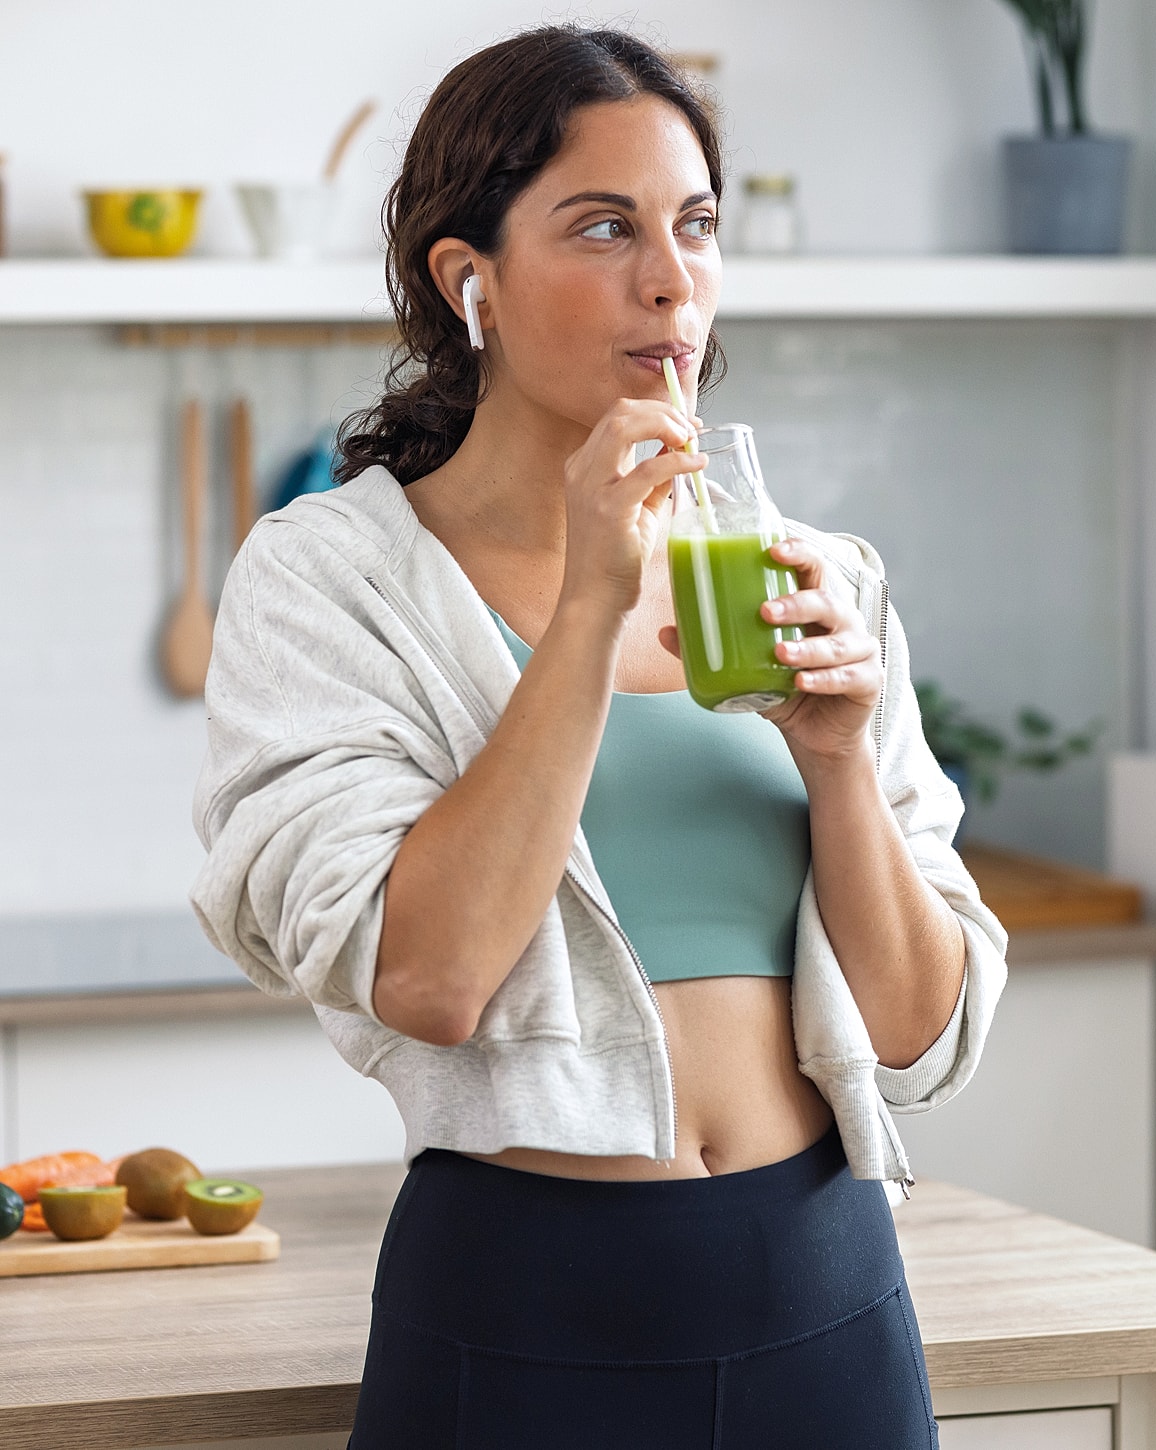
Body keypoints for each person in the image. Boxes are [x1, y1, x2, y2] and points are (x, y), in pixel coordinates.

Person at [190, 24, 1007, 1449]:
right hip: (522, 1310)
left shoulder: (816, 580)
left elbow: (919, 1034)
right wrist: (586, 609)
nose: (670, 275)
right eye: (604, 225)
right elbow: (431, 975)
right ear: (471, 282)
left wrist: (835, 761)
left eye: (694, 224)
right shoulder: (329, 578)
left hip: (826, 1293)